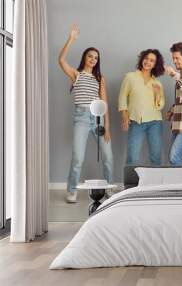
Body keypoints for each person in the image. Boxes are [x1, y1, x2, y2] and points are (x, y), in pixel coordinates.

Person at [58, 24, 113, 203]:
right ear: (85, 58)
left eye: (96, 58)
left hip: (98, 119)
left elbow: (104, 103)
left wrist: (108, 127)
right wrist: (71, 39)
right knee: (78, 158)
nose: (93, 59)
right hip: (81, 118)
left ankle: (108, 189)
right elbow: (61, 60)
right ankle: (72, 190)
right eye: (90, 56)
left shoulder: (100, 78)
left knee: (108, 157)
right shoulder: (76, 74)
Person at [118, 49, 165, 165]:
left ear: (155, 64)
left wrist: (158, 94)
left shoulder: (157, 83)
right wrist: (125, 116)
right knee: (132, 157)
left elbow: (160, 105)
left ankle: (156, 183)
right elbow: (122, 96)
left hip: (155, 122)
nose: (148, 62)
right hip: (136, 121)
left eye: (152, 61)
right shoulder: (130, 77)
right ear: (142, 59)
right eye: (146, 59)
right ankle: (131, 183)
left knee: (156, 157)